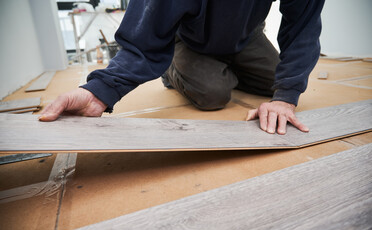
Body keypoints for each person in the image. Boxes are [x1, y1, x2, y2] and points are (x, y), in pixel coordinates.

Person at [40, 0, 325, 135]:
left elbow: (303, 26)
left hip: (246, 37)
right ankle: (171, 68)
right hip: (190, 39)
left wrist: (285, 97)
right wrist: (100, 91)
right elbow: (145, 36)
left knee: (277, 80)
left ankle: (224, 65)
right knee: (213, 93)